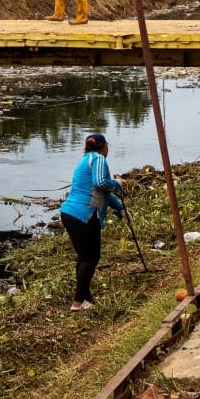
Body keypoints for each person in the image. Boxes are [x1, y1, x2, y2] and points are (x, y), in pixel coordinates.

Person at [58, 133, 125, 312]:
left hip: (68, 213)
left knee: (83, 257)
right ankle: (77, 301)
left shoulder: (85, 160)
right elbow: (101, 182)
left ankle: (86, 298)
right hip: (84, 213)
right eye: (107, 146)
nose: (108, 150)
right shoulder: (99, 158)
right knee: (91, 257)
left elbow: (102, 192)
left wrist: (120, 209)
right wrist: (116, 183)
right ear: (103, 147)